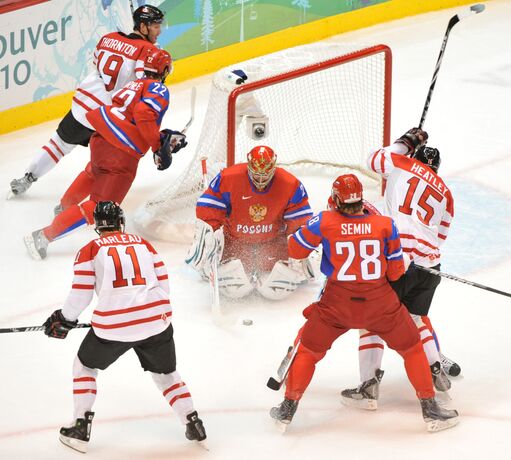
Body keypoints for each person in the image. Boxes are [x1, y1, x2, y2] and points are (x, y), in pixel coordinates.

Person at [269, 174, 459, 432]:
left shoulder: (325, 221)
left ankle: (287, 409)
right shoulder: (384, 225)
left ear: (336, 199)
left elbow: (295, 250)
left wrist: (314, 235)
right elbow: (394, 275)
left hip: (336, 305)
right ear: (361, 199)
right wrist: (400, 261)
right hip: (379, 305)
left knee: (308, 352)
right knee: (413, 348)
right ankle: (430, 409)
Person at [42, 201, 206, 453]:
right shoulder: (144, 244)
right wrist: (149, 312)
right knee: (166, 375)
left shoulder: (90, 250)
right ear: (121, 221)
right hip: (157, 322)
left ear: (97, 225)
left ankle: (79, 428)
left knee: (84, 365)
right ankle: (193, 421)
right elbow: (163, 285)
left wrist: (65, 318)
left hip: (113, 328)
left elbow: (81, 294)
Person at [24, 48, 186, 260]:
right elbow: (143, 114)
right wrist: (157, 145)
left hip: (101, 138)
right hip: (121, 153)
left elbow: (131, 117)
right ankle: (43, 236)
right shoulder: (158, 88)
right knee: (101, 207)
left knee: (94, 173)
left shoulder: (133, 84)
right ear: (164, 70)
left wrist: (163, 137)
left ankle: (64, 208)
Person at [340, 127, 458, 409]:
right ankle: (434, 368)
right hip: (430, 265)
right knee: (415, 319)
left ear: (414, 155)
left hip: (397, 259)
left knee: (371, 322)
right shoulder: (446, 193)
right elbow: (440, 235)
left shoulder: (402, 162)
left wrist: (404, 143)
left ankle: (368, 388)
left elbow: (372, 160)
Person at [10, 4, 165, 197]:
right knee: (101, 163)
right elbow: (145, 83)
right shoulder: (147, 50)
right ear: (143, 27)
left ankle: (27, 178)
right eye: (156, 26)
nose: (159, 31)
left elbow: (98, 65)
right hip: (107, 116)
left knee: (58, 145)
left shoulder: (108, 38)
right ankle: (71, 203)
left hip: (83, 105)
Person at [185, 145, 314, 300]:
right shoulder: (229, 178)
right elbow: (209, 207)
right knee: (233, 289)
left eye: (265, 175)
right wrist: (209, 235)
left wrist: (297, 250)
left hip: (272, 242)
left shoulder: (290, 184)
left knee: (281, 287)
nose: (260, 180)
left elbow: (299, 221)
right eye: (256, 175)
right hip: (234, 240)